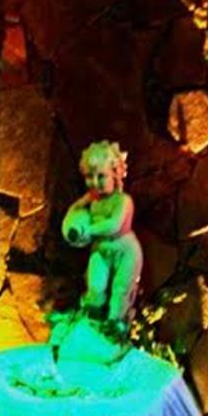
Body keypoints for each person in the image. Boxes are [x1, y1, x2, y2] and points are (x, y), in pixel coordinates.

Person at [60, 141, 143, 330]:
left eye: (101, 176)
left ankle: (115, 324)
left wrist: (88, 230)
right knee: (95, 284)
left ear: (115, 174)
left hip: (125, 252)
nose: (95, 182)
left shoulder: (123, 201)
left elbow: (114, 225)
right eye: (90, 177)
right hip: (100, 249)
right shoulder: (93, 199)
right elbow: (75, 209)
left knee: (121, 289)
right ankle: (92, 318)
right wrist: (71, 223)